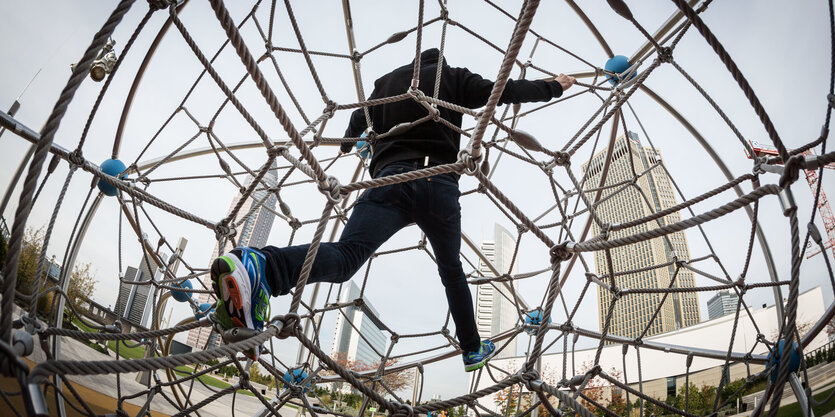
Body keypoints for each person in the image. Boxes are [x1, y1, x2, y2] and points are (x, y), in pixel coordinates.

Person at [211, 49, 575, 371]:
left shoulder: (385, 84)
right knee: (451, 270)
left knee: (346, 256)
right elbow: (504, 90)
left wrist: (347, 146)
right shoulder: (451, 76)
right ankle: (471, 348)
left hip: (388, 181)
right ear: (439, 61)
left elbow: (355, 127)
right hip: (439, 182)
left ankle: (264, 267)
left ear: (413, 64)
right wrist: (554, 85)